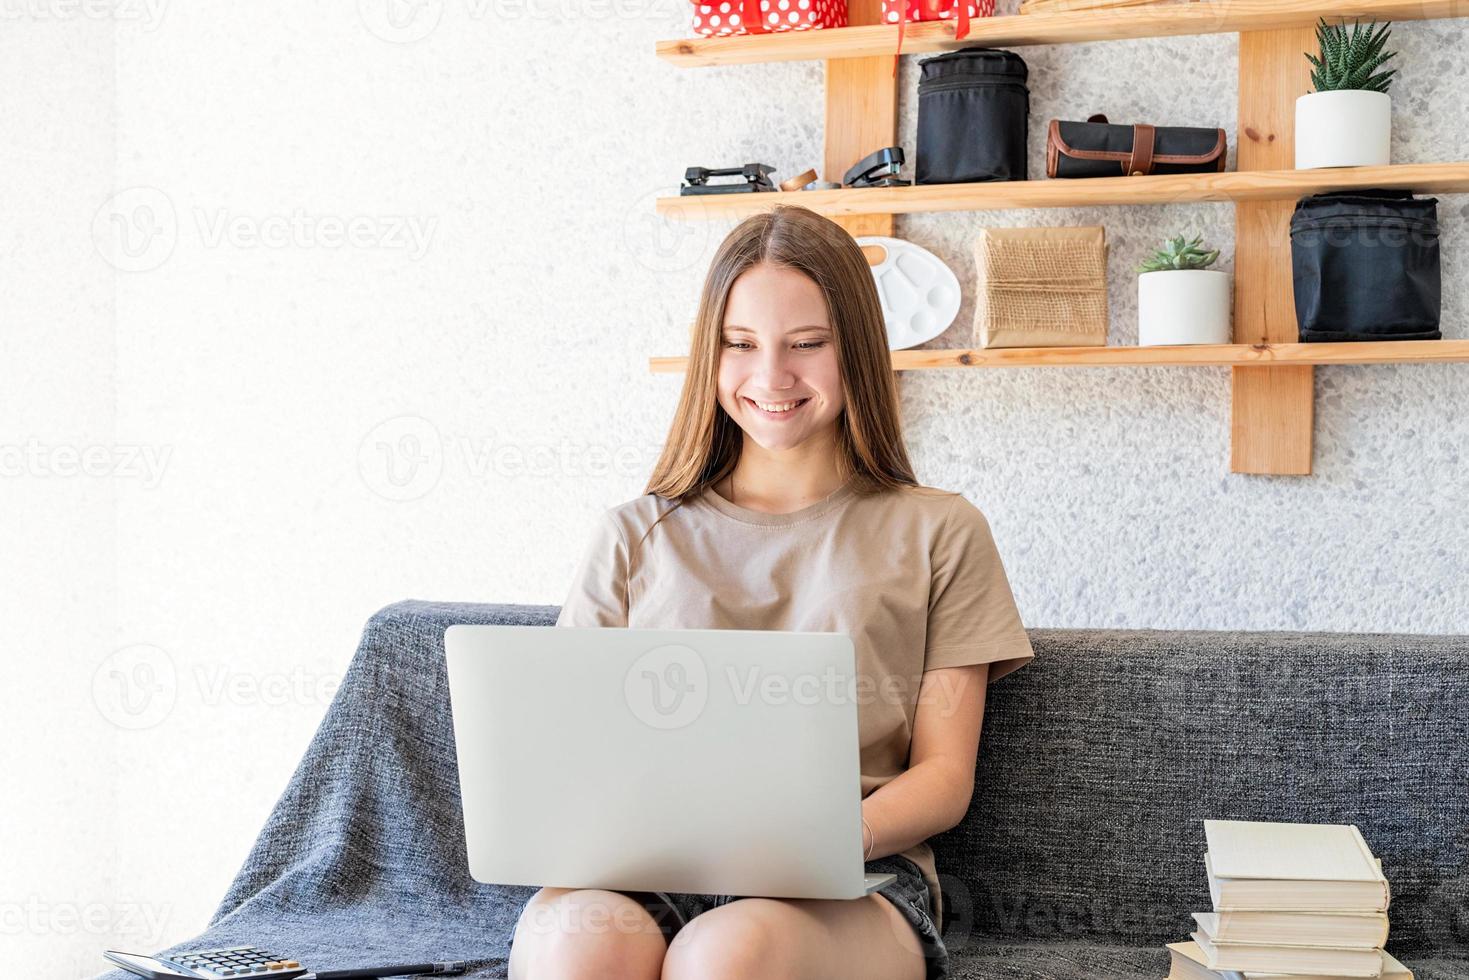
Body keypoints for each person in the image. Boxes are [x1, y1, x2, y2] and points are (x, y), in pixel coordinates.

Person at [508, 204, 1035, 980]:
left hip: (851, 879)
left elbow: (943, 778)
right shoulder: (632, 534)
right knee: (576, 946)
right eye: (740, 345)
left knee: (728, 956)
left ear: (853, 348)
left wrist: (818, 842)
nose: (770, 378)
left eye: (807, 345)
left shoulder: (940, 531)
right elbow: (570, 753)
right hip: (649, 868)